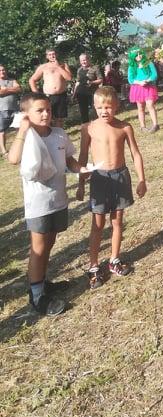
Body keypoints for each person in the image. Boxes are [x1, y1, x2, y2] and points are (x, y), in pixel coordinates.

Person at [8, 92, 88, 316]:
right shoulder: (27, 137)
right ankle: (36, 297)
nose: (45, 114)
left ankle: (41, 282)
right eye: (39, 111)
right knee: (38, 247)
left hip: (59, 199)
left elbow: (69, 159)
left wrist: (81, 169)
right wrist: (22, 130)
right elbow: (13, 159)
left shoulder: (59, 134)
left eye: (48, 110)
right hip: (38, 204)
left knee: (50, 242)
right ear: (26, 114)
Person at [76, 86, 146, 289]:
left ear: (116, 106)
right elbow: (82, 156)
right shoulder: (88, 128)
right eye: (99, 107)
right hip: (99, 178)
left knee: (117, 221)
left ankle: (114, 260)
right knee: (97, 225)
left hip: (120, 176)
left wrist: (142, 179)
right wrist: (81, 184)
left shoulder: (125, 127)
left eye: (108, 107)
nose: (104, 111)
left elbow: (135, 153)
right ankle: (93, 266)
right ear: (94, 107)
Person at [29, 48, 72, 128]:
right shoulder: (43, 67)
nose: (52, 56)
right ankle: (48, 133)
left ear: (56, 54)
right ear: (47, 56)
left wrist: (58, 67)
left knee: (59, 119)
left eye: (53, 54)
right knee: (48, 117)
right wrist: (36, 94)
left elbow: (69, 78)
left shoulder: (63, 65)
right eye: (50, 54)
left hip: (61, 95)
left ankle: (58, 134)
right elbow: (32, 80)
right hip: (49, 96)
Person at [127, 47, 159, 132]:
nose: (138, 56)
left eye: (140, 54)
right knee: (140, 107)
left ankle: (155, 124)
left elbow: (154, 75)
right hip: (137, 88)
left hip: (149, 87)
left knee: (150, 105)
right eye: (136, 55)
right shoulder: (131, 66)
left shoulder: (148, 63)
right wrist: (139, 82)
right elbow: (130, 79)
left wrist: (148, 80)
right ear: (133, 57)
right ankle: (143, 126)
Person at [73, 52, 103, 124]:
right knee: (83, 111)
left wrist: (92, 82)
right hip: (81, 93)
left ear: (89, 59)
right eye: (81, 60)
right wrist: (74, 94)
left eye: (85, 60)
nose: (83, 62)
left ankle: (99, 124)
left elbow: (100, 80)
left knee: (95, 110)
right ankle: (85, 126)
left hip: (92, 93)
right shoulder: (79, 70)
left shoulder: (95, 68)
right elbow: (77, 82)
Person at [0, 64, 21, 156]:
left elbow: (18, 89)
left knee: (19, 129)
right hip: (2, 109)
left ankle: (19, 148)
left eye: (3, 70)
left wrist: (5, 89)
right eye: (0, 70)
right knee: (2, 131)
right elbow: (0, 92)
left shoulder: (12, 80)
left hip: (15, 109)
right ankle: (4, 151)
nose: (2, 72)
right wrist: (12, 89)